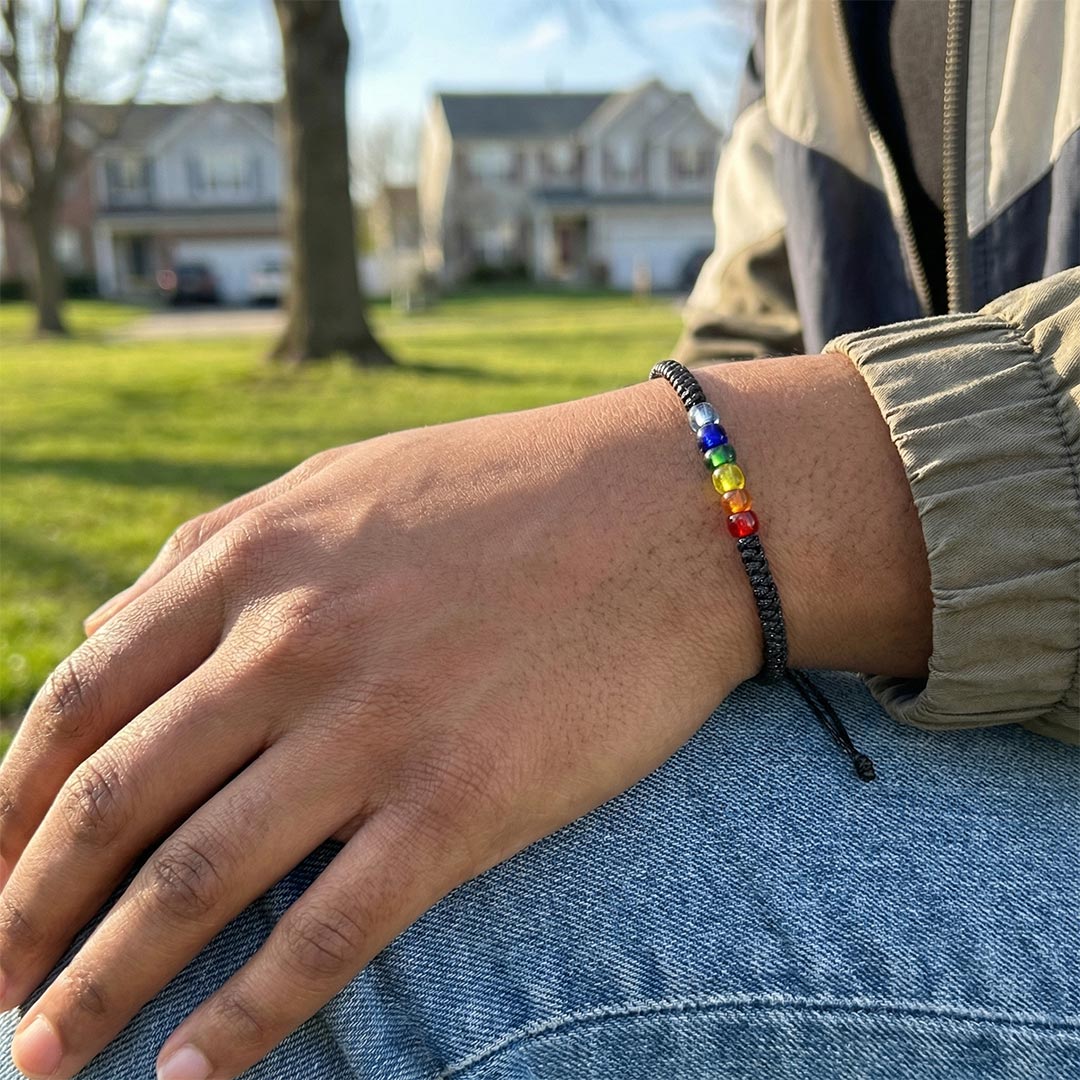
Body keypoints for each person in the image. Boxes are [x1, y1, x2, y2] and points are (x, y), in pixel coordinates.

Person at [1, 2, 1077, 1078]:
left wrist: (706, 510)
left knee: (243, 974)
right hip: (884, 693)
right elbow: (757, 325)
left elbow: (733, 456)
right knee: (190, 823)